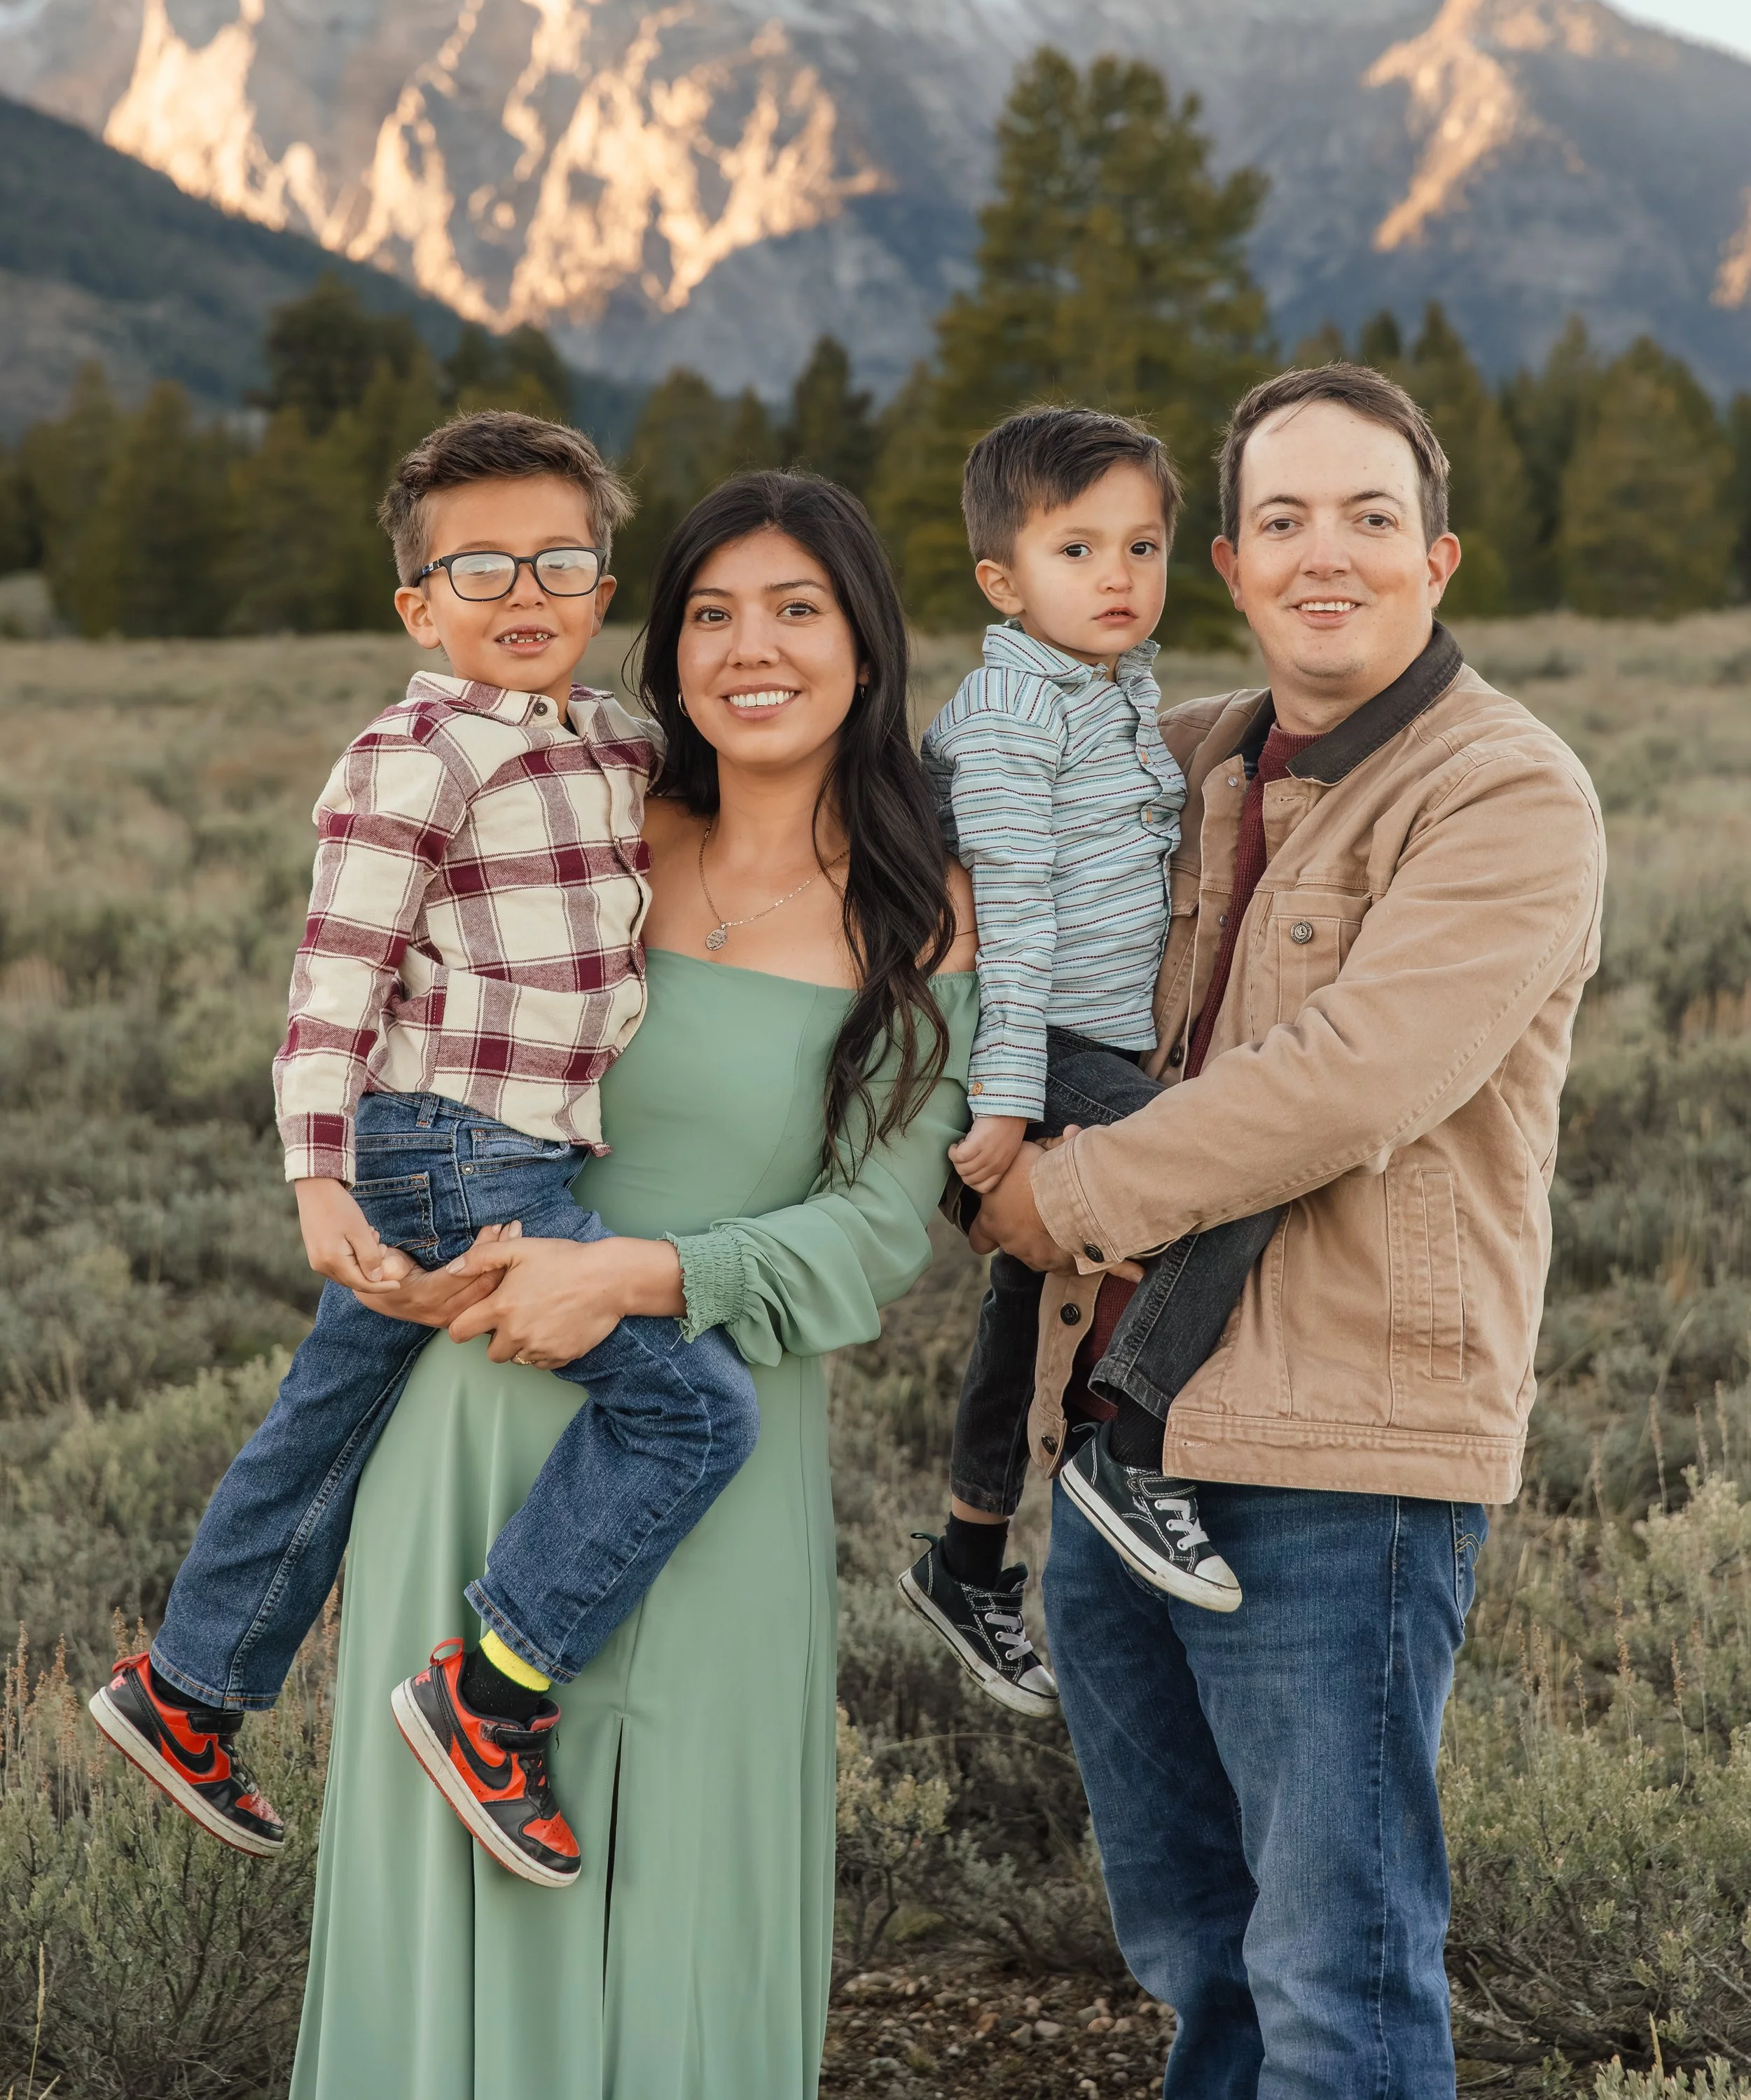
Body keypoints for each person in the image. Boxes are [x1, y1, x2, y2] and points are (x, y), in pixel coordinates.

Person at [289, 471, 978, 2100]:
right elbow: (380, 1034)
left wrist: (645, 1273)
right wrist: (365, 1218)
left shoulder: (925, 915)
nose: (753, 650)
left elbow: (880, 1228)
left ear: (865, 647)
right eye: (712, 615)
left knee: (674, 1891)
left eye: (796, 609)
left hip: (708, 1430)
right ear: (661, 657)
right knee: (442, 1893)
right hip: (468, 1410)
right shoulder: (572, 825)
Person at [973, 363, 1605, 2098]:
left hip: (1340, 1456)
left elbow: (1348, 1077)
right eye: (1278, 521)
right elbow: (947, 834)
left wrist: (1059, 1203)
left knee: (1334, 1973)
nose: (1324, 554)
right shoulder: (1178, 768)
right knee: (1201, 1964)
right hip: (1113, 1441)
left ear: (1436, 557)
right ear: (1230, 571)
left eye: (1368, 517)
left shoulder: (1504, 795)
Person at [89, 410, 759, 1889]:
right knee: (694, 1417)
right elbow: (335, 976)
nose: (524, 594)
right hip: (457, 1150)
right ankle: (493, 1692)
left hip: (479, 1147)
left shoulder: (608, 738)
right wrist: (316, 1175)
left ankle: (189, 1687)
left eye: (561, 562)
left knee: (328, 1416)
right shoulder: (416, 754)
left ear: (601, 589)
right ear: (419, 604)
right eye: (480, 569)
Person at [899, 407, 1286, 1720]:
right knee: (1231, 1176)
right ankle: (1132, 1441)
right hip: (1032, 1041)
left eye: (1143, 544)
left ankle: (967, 1554)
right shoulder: (1014, 714)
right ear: (1004, 582)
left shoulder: (1113, 694)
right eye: (1078, 549)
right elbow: (1008, 920)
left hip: (1078, 1040)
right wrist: (1007, 1098)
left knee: (1031, 1279)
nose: (1118, 576)